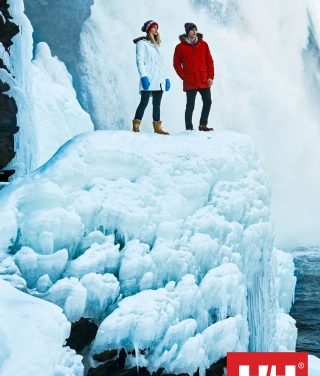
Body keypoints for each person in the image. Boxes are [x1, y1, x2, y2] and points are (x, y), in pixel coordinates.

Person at [173, 22, 214, 131]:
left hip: (203, 79)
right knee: (190, 105)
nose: (195, 31)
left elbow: (209, 62)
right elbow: (176, 64)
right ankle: (189, 128)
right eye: (192, 30)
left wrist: (210, 77)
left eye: (195, 29)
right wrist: (184, 77)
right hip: (190, 81)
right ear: (187, 32)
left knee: (208, 101)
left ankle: (203, 125)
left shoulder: (203, 44)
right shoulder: (180, 47)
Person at [132, 20, 170, 135]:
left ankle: (157, 128)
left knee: (157, 105)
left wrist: (166, 78)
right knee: (144, 102)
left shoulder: (158, 46)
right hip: (149, 78)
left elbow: (161, 64)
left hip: (159, 79)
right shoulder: (142, 44)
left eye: (157, 28)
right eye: (154, 27)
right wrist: (144, 76)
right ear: (149, 29)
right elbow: (139, 61)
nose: (156, 30)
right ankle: (136, 125)